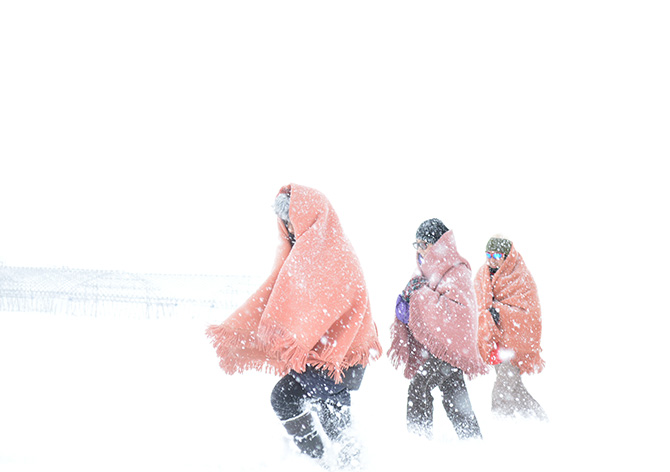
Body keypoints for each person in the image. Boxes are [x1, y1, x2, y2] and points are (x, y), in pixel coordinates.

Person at [206, 184, 382, 466]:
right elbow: (284, 298)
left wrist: (305, 337)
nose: (287, 226)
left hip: (333, 357)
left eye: (290, 218)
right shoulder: (313, 251)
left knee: (294, 402)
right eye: (284, 220)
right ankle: (332, 459)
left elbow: (332, 305)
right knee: (315, 410)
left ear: (308, 215)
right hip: (327, 357)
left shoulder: (328, 253)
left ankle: (327, 461)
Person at [388, 219, 487, 440]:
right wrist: (406, 303)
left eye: (424, 243)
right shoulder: (425, 271)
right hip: (438, 348)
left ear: (439, 243)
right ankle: (474, 443)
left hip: (449, 346)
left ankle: (419, 442)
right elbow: (415, 308)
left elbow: (459, 314)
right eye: (417, 244)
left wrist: (418, 295)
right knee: (455, 395)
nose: (420, 249)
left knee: (419, 388)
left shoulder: (456, 270)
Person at [473, 236, 547, 420]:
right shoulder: (483, 275)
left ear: (508, 256)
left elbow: (529, 315)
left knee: (503, 391)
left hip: (513, 345)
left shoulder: (520, 277)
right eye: (488, 254)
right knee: (516, 390)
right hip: (496, 343)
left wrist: (499, 312)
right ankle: (541, 420)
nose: (492, 259)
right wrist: (487, 319)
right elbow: (476, 305)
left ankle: (500, 427)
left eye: (497, 254)